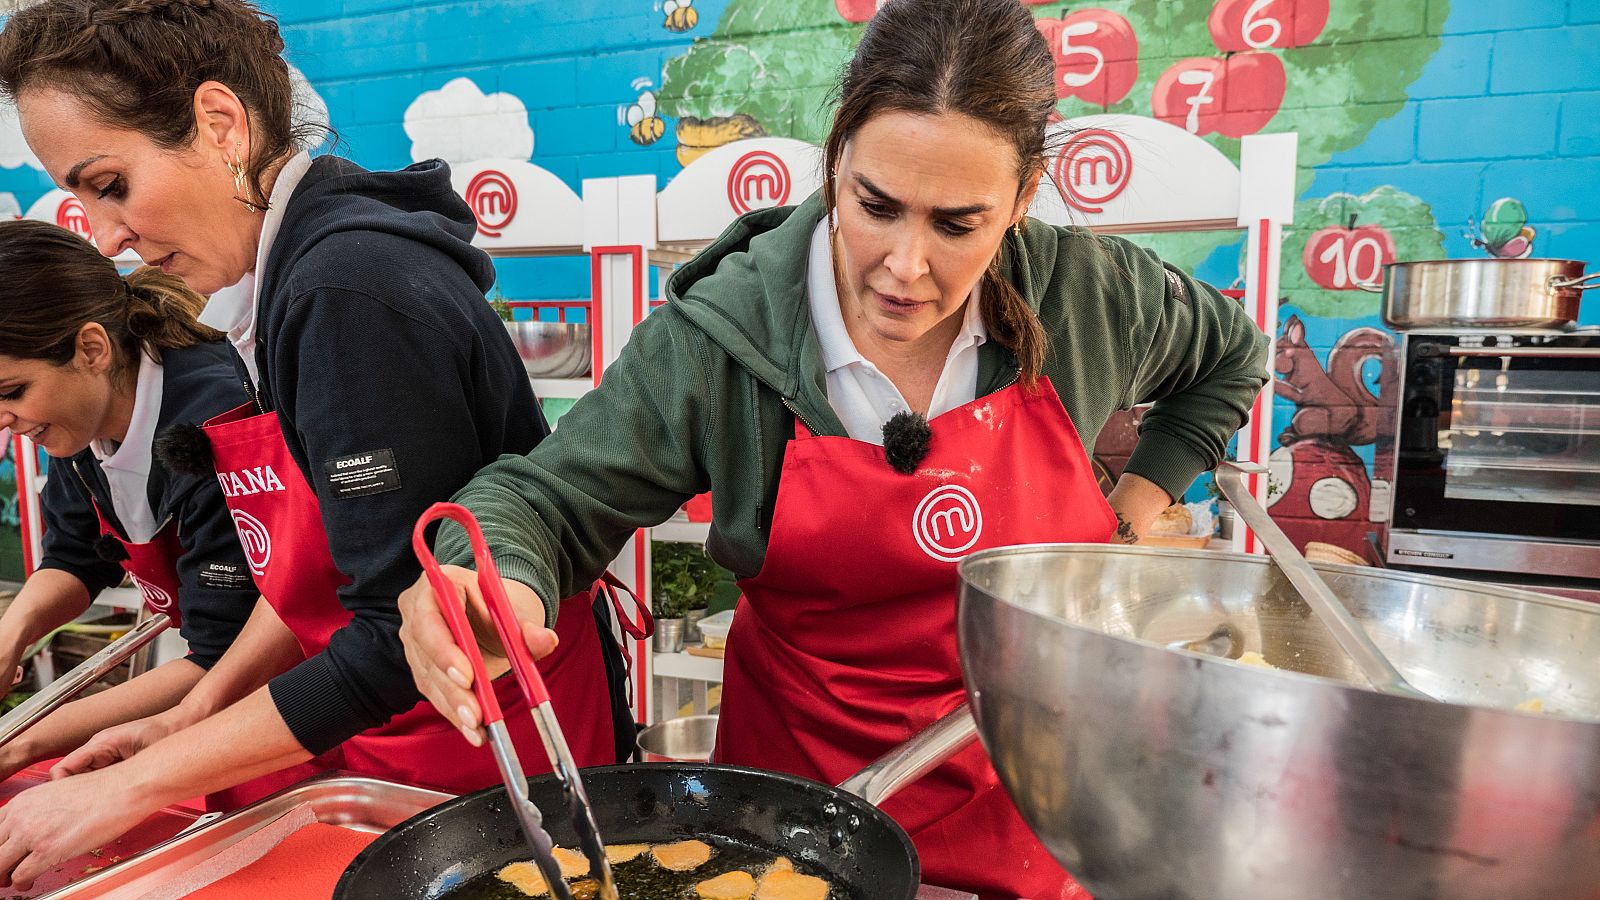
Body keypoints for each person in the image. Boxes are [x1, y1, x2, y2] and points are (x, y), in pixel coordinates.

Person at [395, 0, 1268, 896]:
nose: (903, 265)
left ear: (1024, 196)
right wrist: (487, 573)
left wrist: (1132, 512)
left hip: (1035, 791)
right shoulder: (717, 340)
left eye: (956, 224)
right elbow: (545, 501)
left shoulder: (1092, 296)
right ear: (835, 162)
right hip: (795, 821)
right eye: (874, 205)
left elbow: (1233, 359)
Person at [0, 0, 634, 887]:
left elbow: (395, 635)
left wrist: (134, 786)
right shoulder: (289, 282)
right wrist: (197, 711)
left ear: (221, 125)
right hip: (395, 748)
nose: (106, 237)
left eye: (109, 185)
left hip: (483, 745)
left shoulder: (346, 292)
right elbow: (313, 575)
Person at [0, 220, 262, 792]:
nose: (4, 420)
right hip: (215, 702)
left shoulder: (220, 427)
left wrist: (20, 742)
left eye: (11, 392)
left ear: (91, 349)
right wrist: (12, 631)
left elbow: (223, 657)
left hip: (302, 704)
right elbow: (76, 558)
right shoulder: (78, 423)